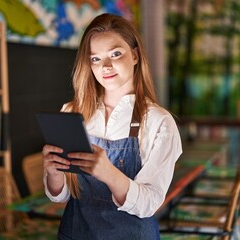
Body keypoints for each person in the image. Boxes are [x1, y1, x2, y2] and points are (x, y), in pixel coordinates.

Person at [42, 13, 182, 240]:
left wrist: (108, 173)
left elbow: (150, 203)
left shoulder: (159, 122)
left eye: (115, 54)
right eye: (95, 59)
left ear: (135, 55)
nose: (105, 66)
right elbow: (60, 195)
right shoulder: (71, 112)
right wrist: (53, 172)